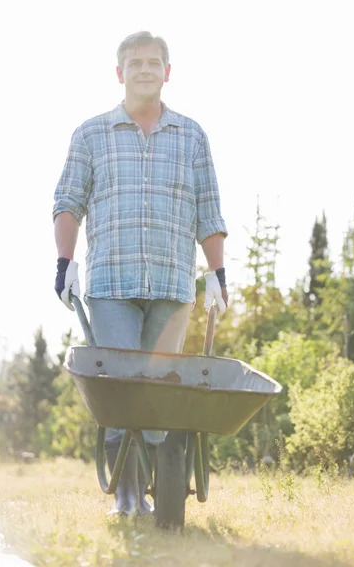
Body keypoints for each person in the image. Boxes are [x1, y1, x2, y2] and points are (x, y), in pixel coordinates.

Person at [53, 31, 228, 517]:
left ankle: (156, 488)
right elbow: (68, 202)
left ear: (167, 72)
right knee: (124, 389)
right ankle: (127, 497)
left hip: (173, 286)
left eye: (154, 63)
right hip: (111, 284)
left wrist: (216, 272)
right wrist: (65, 263)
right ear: (120, 73)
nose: (145, 70)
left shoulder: (192, 135)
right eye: (136, 63)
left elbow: (209, 211)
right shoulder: (92, 133)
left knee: (160, 393)